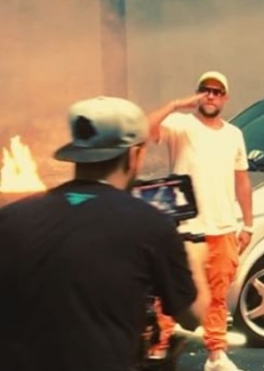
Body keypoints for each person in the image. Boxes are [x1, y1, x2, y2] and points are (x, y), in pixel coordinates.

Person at [0, 96, 209, 371]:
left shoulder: (10, 217)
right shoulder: (151, 225)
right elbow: (193, 316)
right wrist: (194, 258)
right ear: (134, 155)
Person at [147, 71, 253, 371]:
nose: (211, 95)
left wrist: (248, 224)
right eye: (206, 90)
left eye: (217, 91)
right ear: (198, 93)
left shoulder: (234, 134)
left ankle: (216, 354)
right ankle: (159, 347)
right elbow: (144, 130)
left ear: (225, 98)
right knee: (169, 291)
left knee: (218, 294)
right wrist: (176, 104)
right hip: (185, 230)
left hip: (223, 227)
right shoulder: (181, 125)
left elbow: (242, 181)